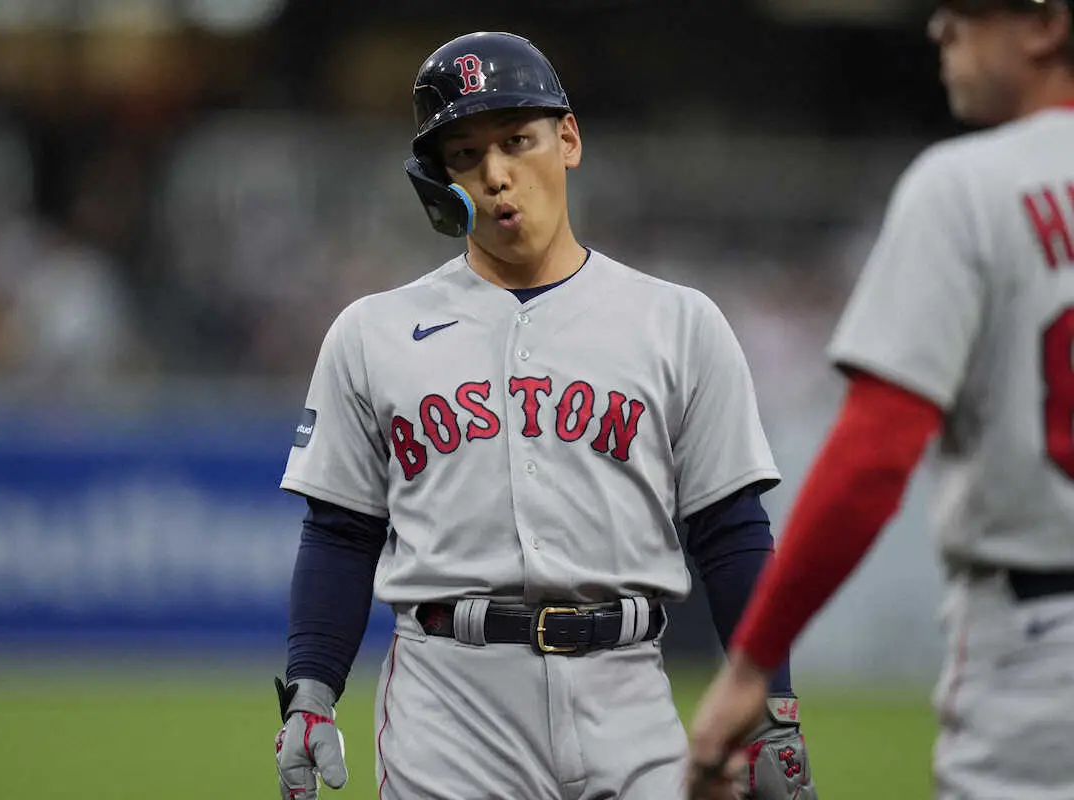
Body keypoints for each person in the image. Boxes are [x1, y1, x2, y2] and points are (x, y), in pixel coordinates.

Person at [274, 31, 816, 800]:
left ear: (568, 139)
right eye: (463, 154)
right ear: (438, 180)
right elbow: (340, 531)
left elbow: (731, 532)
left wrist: (774, 706)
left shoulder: (678, 322)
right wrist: (311, 691)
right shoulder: (373, 332)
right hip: (452, 701)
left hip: (626, 688)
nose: (496, 174)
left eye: (516, 140)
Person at [686, 1, 1074, 798]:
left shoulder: (966, 185)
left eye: (967, 10)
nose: (939, 28)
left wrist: (754, 661)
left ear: (1045, 25)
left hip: (1042, 651)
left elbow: (874, 455)